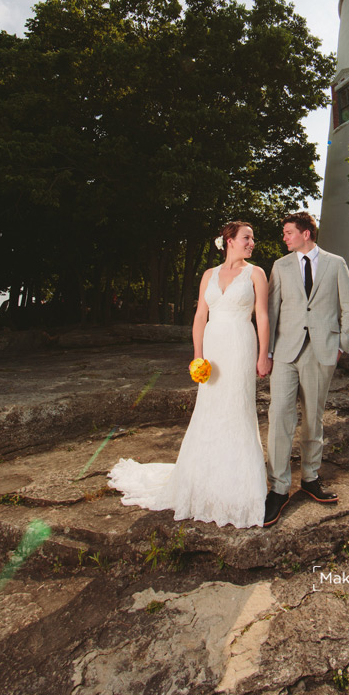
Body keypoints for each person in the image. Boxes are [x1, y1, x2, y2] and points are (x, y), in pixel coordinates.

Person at [108, 222, 269, 528]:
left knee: (237, 409)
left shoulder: (256, 273)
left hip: (239, 345)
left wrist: (263, 353)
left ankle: (237, 487)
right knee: (208, 410)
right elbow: (199, 316)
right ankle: (201, 480)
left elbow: (262, 315)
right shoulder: (209, 275)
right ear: (230, 241)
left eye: (252, 238)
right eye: (247, 237)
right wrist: (198, 355)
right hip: (213, 347)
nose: (252, 242)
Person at [264, 212, 349, 526]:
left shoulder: (336, 263)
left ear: (306, 233)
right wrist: (268, 352)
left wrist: (342, 344)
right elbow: (272, 309)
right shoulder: (280, 266)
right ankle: (278, 489)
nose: (284, 237)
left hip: (321, 352)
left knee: (313, 417)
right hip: (285, 353)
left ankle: (310, 478)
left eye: (289, 232)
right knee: (279, 416)